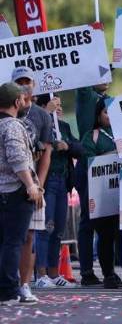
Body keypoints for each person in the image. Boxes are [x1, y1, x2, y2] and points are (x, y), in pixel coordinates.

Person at [12, 67, 56, 304]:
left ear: (34, 85)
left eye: (27, 81)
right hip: (7, 179)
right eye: (19, 81)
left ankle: (24, 285)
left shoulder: (42, 116)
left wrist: (39, 185)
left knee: (29, 236)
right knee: (8, 236)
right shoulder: (6, 111)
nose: (24, 85)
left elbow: (46, 153)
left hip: (32, 181)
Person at [0, 82, 43, 306]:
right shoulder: (13, 127)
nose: (27, 103)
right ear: (16, 102)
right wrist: (30, 185)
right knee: (13, 243)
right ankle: (8, 291)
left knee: (4, 243)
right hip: (15, 192)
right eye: (24, 100)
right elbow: (17, 158)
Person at [34, 96, 82, 289]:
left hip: (63, 181)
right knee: (46, 227)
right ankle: (41, 274)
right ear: (44, 106)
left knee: (59, 229)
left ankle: (54, 274)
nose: (58, 108)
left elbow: (81, 149)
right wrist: (46, 115)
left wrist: (67, 146)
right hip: (46, 180)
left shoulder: (64, 127)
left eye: (60, 104)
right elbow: (32, 137)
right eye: (54, 104)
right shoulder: (38, 123)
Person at [82, 98, 122, 289]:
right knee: (104, 234)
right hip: (98, 193)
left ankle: (118, 272)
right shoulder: (91, 136)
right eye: (106, 112)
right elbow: (88, 161)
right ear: (98, 115)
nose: (110, 116)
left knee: (115, 233)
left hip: (120, 192)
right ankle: (108, 274)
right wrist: (113, 154)